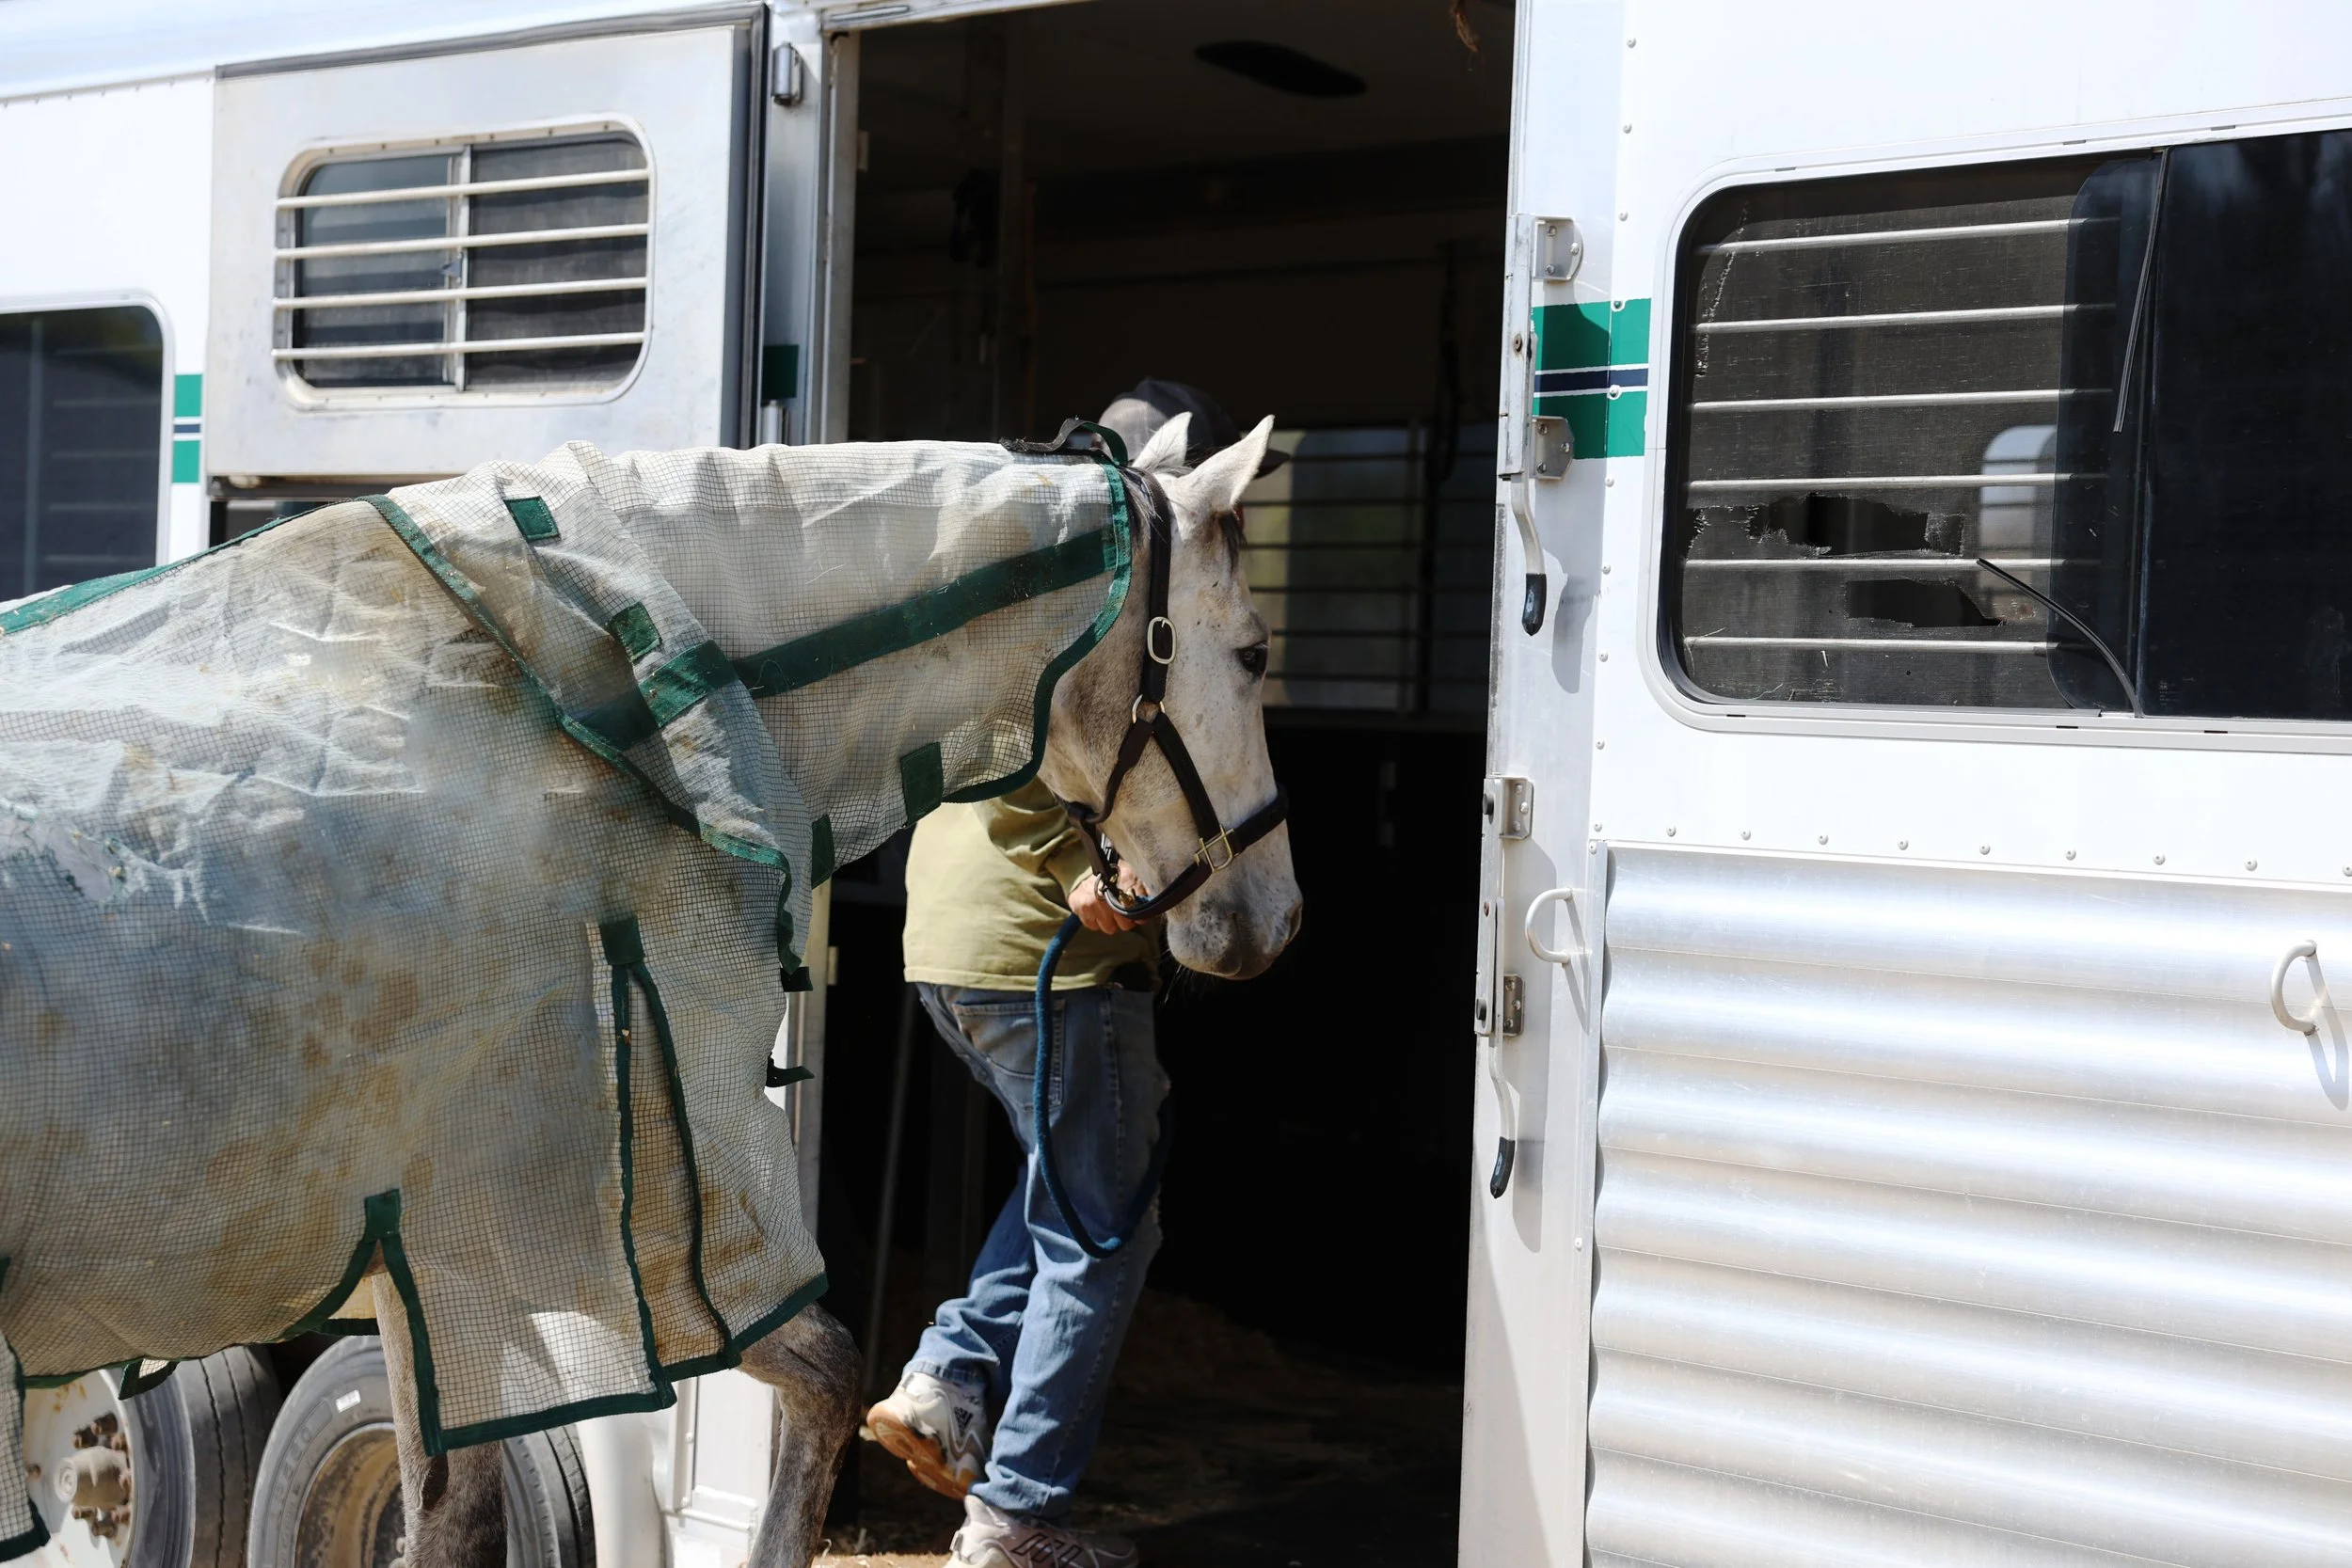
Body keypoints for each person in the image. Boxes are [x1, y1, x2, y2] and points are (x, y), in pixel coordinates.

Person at [866, 382, 1275, 1568]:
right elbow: (1072, 751)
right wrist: (1087, 869)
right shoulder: (1107, 584)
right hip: (1046, 949)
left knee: (1074, 1187)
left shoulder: (1035, 560)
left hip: (947, 940)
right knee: (1107, 1233)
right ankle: (1016, 1517)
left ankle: (946, 1376)